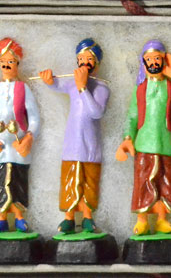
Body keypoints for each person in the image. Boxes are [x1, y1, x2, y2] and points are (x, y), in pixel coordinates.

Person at [115, 40, 171, 234]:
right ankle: (142, 220)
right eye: (149, 59)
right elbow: (132, 115)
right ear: (144, 63)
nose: (153, 63)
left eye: (157, 58)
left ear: (164, 61)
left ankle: (162, 219)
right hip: (144, 144)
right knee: (143, 182)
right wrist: (127, 138)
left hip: (165, 144)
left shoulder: (170, 87)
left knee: (165, 183)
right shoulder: (140, 89)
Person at [39, 38, 108, 234]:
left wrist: (82, 87)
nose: (84, 63)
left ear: (96, 63)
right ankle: (69, 217)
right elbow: (57, 85)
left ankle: (87, 217)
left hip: (91, 147)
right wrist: (49, 80)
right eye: (81, 59)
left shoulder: (101, 88)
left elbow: (96, 112)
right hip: (72, 145)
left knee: (89, 182)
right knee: (70, 180)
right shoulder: (71, 84)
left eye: (89, 59)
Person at [0, 38, 40, 232]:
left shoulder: (23, 88)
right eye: (3, 61)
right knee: (0, 178)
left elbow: (34, 117)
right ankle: (1, 217)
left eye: (11, 61)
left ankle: (20, 216)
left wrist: (29, 137)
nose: (6, 65)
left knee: (18, 178)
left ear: (18, 63)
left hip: (18, 144)